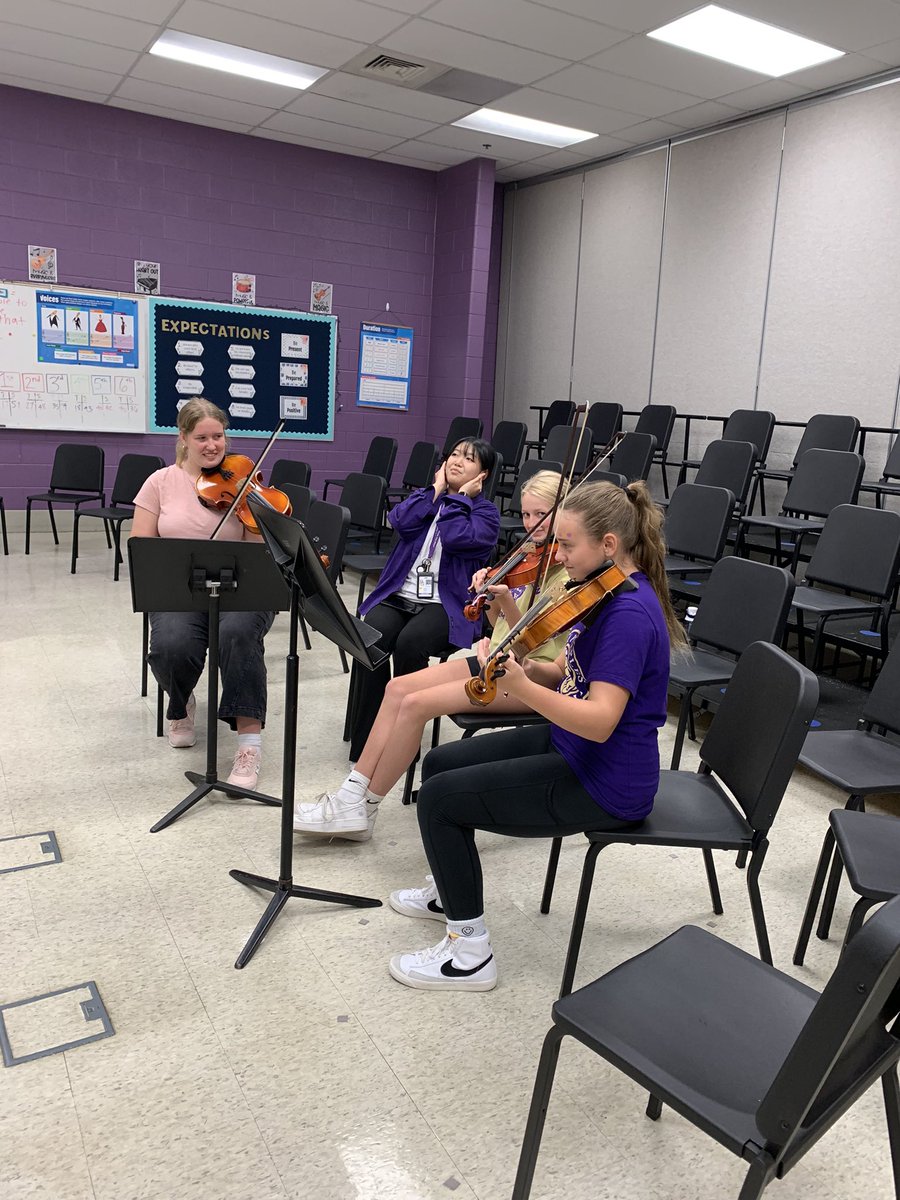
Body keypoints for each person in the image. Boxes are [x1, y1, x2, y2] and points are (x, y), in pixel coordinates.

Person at [384, 480, 688, 992]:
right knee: (440, 765)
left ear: (608, 545)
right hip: (576, 748)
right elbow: (571, 675)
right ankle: (449, 891)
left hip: (605, 780)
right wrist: (522, 663)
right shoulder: (605, 590)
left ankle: (469, 955)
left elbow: (600, 718)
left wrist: (522, 685)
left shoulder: (629, 615)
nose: (557, 554)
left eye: (567, 545)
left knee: (438, 799)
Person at [293, 470, 570, 841]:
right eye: (525, 514)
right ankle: (350, 796)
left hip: (529, 678)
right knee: (397, 688)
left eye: (541, 514)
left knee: (415, 705)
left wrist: (504, 598)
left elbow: (533, 645)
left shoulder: (567, 573)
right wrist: (487, 596)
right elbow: (494, 623)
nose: (531, 523)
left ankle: (367, 809)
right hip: (494, 659)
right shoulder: (527, 555)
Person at [131, 397, 275, 790]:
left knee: (239, 634)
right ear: (183, 439)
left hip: (240, 588)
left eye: (219, 436)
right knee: (172, 646)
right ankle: (181, 702)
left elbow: (259, 553)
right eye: (202, 438)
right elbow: (141, 546)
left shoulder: (245, 481)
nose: (212, 445)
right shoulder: (160, 483)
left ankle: (249, 743)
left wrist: (253, 510)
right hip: (180, 590)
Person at [343, 438, 501, 762]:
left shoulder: (486, 514)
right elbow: (399, 520)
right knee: (368, 638)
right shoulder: (427, 498)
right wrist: (435, 490)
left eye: (468, 459)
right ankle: (369, 739)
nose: (456, 461)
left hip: (447, 605)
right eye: (453, 455)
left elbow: (458, 539)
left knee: (410, 644)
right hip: (400, 594)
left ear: (482, 474)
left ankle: (404, 741)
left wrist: (458, 499)